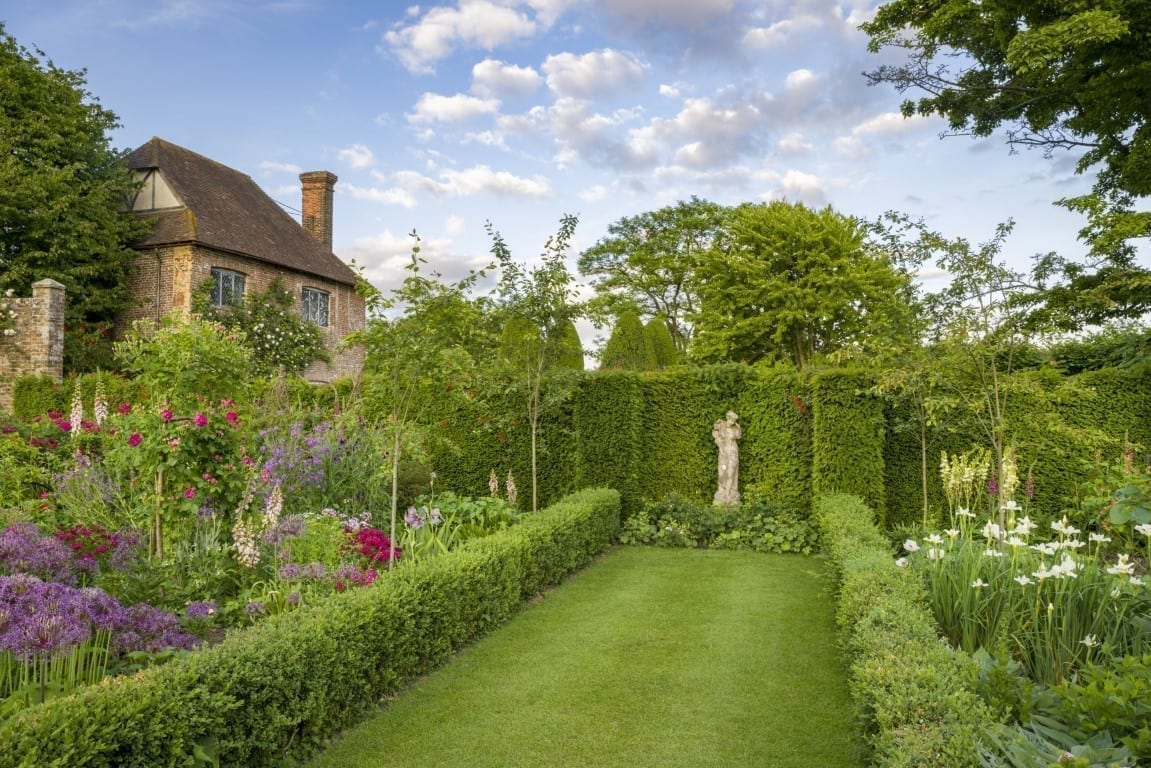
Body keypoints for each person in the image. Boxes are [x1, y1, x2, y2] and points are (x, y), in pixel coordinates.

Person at [713, 410, 741, 505]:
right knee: (721, 473)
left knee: (730, 473)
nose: (732, 422)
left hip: (733, 453)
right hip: (723, 453)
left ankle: (728, 492)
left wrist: (734, 435)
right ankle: (722, 489)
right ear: (727, 418)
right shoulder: (720, 425)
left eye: (734, 421)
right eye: (731, 420)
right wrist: (718, 441)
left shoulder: (736, 428)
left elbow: (738, 435)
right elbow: (716, 435)